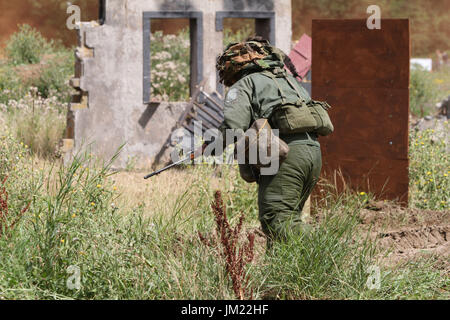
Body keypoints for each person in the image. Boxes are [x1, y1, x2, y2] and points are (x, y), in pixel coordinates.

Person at [214, 37, 328, 248]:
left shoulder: (244, 84)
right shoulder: (286, 80)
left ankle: (327, 252)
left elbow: (233, 126)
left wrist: (211, 145)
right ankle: (284, 277)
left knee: (277, 220)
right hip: (311, 153)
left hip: (286, 156)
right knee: (288, 220)